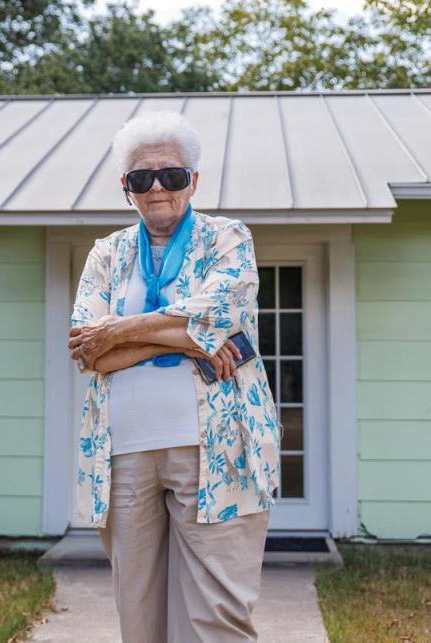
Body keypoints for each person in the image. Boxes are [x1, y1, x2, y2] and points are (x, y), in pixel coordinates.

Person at [68, 110, 281, 643]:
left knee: (218, 612)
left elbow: (217, 315)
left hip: (217, 447)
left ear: (194, 180)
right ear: (127, 188)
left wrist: (120, 332)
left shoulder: (227, 238)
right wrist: (191, 340)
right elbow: (89, 352)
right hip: (123, 453)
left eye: (172, 175)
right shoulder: (106, 254)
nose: (158, 186)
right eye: (143, 178)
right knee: (138, 614)